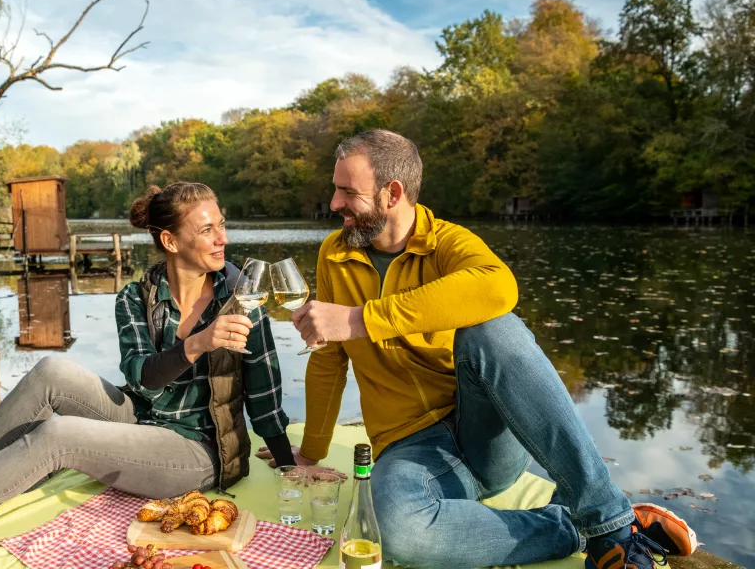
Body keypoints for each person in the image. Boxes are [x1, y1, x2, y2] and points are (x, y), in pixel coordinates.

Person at [260, 130, 698, 569]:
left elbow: (499, 286)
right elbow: (330, 357)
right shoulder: (335, 254)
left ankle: (611, 526)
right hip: (410, 449)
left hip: (486, 437)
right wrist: (310, 452)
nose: (334, 203)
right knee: (392, 532)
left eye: (347, 191)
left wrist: (360, 319)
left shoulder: (447, 242)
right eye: (335, 189)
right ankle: (570, 525)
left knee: (493, 330)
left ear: (392, 193)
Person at [0, 181, 302, 549]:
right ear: (170, 240)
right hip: (143, 416)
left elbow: (264, 390)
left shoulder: (241, 298)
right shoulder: (136, 297)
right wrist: (195, 344)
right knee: (49, 372)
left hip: (199, 452)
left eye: (221, 224)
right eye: (207, 230)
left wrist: (288, 461)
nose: (223, 238)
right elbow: (142, 378)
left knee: (58, 436)